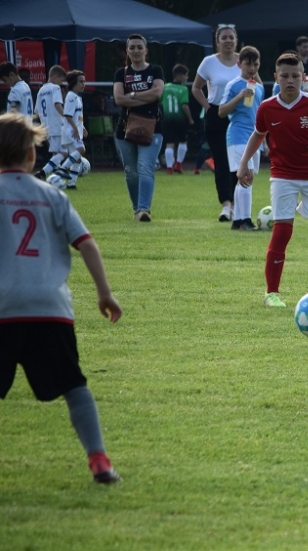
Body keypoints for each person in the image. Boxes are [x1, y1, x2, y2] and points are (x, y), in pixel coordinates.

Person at [0, 113, 123, 483]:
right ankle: (99, 459)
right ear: (31, 155)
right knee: (74, 386)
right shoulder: (52, 195)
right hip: (49, 309)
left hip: (3, 309)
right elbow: (87, 245)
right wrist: (105, 293)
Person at [236, 52, 308, 308]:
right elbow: (258, 134)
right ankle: (271, 294)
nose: (290, 81)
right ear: (276, 78)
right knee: (282, 231)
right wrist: (244, 163)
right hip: (283, 175)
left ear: (303, 77)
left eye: (295, 76)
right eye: (284, 76)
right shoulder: (267, 108)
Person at [112, 33, 164, 223]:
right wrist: (145, 96)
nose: (136, 51)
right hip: (125, 129)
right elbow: (119, 99)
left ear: (146, 50)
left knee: (145, 167)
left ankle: (144, 209)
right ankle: (137, 209)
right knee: (131, 172)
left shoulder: (156, 70)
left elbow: (157, 93)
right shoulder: (121, 73)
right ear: (127, 51)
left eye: (139, 47)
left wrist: (132, 95)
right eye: (132, 47)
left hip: (152, 127)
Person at [192, 24, 241, 222]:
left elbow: (258, 85)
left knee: (238, 161)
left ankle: (238, 204)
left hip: (238, 117)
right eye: (224, 37)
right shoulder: (209, 62)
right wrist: (208, 107)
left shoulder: (243, 61)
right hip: (216, 116)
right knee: (221, 161)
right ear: (217, 42)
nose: (228, 41)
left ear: (236, 40)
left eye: (231, 37)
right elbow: (196, 88)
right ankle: (226, 204)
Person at [220, 45, 265, 232]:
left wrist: (265, 141)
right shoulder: (234, 85)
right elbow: (222, 111)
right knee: (246, 177)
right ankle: (246, 220)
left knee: (244, 179)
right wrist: (239, 96)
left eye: (255, 64)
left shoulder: (259, 88)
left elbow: (260, 117)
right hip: (238, 136)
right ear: (239, 64)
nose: (252, 68)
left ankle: (238, 221)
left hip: (254, 138)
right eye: (248, 64)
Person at [34, 65, 68, 180]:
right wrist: (66, 117)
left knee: (55, 154)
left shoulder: (41, 90)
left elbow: (37, 111)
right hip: (57, 125)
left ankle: (56, 178)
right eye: (61, 80)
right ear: (56, 76)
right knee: (64, 153)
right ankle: (42, 173)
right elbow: (57, 104)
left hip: (47, 127)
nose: (61, 84)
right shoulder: (55, 88)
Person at [161, 64, 195, 175]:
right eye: (186, 75)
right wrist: (190, 118)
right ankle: (179, 165)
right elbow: (184, 105)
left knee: (169, 143)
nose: (187, 77)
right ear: (179, 75)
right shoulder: (183, 88)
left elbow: (160, 101)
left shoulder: (165, 87)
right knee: (183, 141)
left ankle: (169, 168)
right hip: (180, 119)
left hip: (167, 119)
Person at [57, 70, 88, 189]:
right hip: (71, 131)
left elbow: (77, 116)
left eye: (84, 81)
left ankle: (71, 184)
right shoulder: (71, 96)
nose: (83, 84)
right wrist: (75, 128)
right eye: (81, 82)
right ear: (74, 83)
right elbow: (68, 115)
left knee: (77, 160)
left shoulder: (77, 97)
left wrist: (82, 127)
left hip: (75, 130)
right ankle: (62, 169)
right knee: (81, 149)